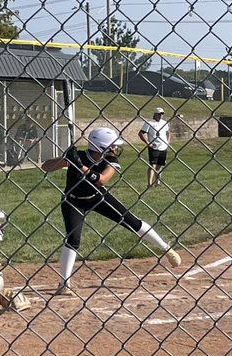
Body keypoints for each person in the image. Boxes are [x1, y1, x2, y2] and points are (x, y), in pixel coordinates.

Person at [41, 126, 181, 295]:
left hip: (97, 196)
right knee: (73, 239)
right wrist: (65, 158)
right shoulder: (78, 157)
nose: (114, 148)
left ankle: (166, 248)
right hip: (73, 202)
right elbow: (46, 166)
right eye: (111, 145)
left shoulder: (111, 160)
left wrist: (81, 167)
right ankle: (64, 284)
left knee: (131, 221)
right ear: (99, 146)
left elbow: (101, 180)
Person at [139, 107, 172, 188]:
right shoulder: (149, 123)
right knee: (152, 165)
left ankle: (157, 181)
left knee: (159, 165)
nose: (161, 116)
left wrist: (167, 142)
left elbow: (168, 132)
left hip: (163, 147)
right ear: (155, 114)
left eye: (162, 114)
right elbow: (141, 133)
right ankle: (149, 183)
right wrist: (148, 143)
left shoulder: (164, 123)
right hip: (154, 147)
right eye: (159, 114)